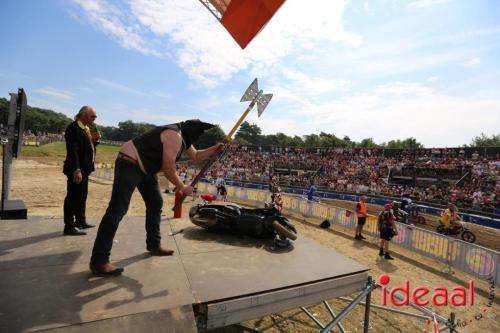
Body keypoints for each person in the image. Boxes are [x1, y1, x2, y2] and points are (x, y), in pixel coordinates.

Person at [89, 120, 224, 276]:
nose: (195, 140)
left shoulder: (183, 137)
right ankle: (99, 261)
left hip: (146, 169)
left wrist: (215, 148)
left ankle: (154, 245)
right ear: (191, 132)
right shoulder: (174, 135)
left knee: (155, 203)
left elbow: (196, 155)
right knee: (117, 209)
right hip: (129, 162)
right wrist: (182, 187)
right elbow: (168, 168)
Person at [62, 106, 100, 236]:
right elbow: (73, 151)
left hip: (85, 169)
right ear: (83, 115)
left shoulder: (86, 129)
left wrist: (94, 140)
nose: (94, 119)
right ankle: (69, 226)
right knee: (73, 197)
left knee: (82, 196)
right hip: (76, 170)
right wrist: (76, 170)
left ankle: (80, 221)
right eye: (92, 116)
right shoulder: (73, 128)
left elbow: (87, 147)